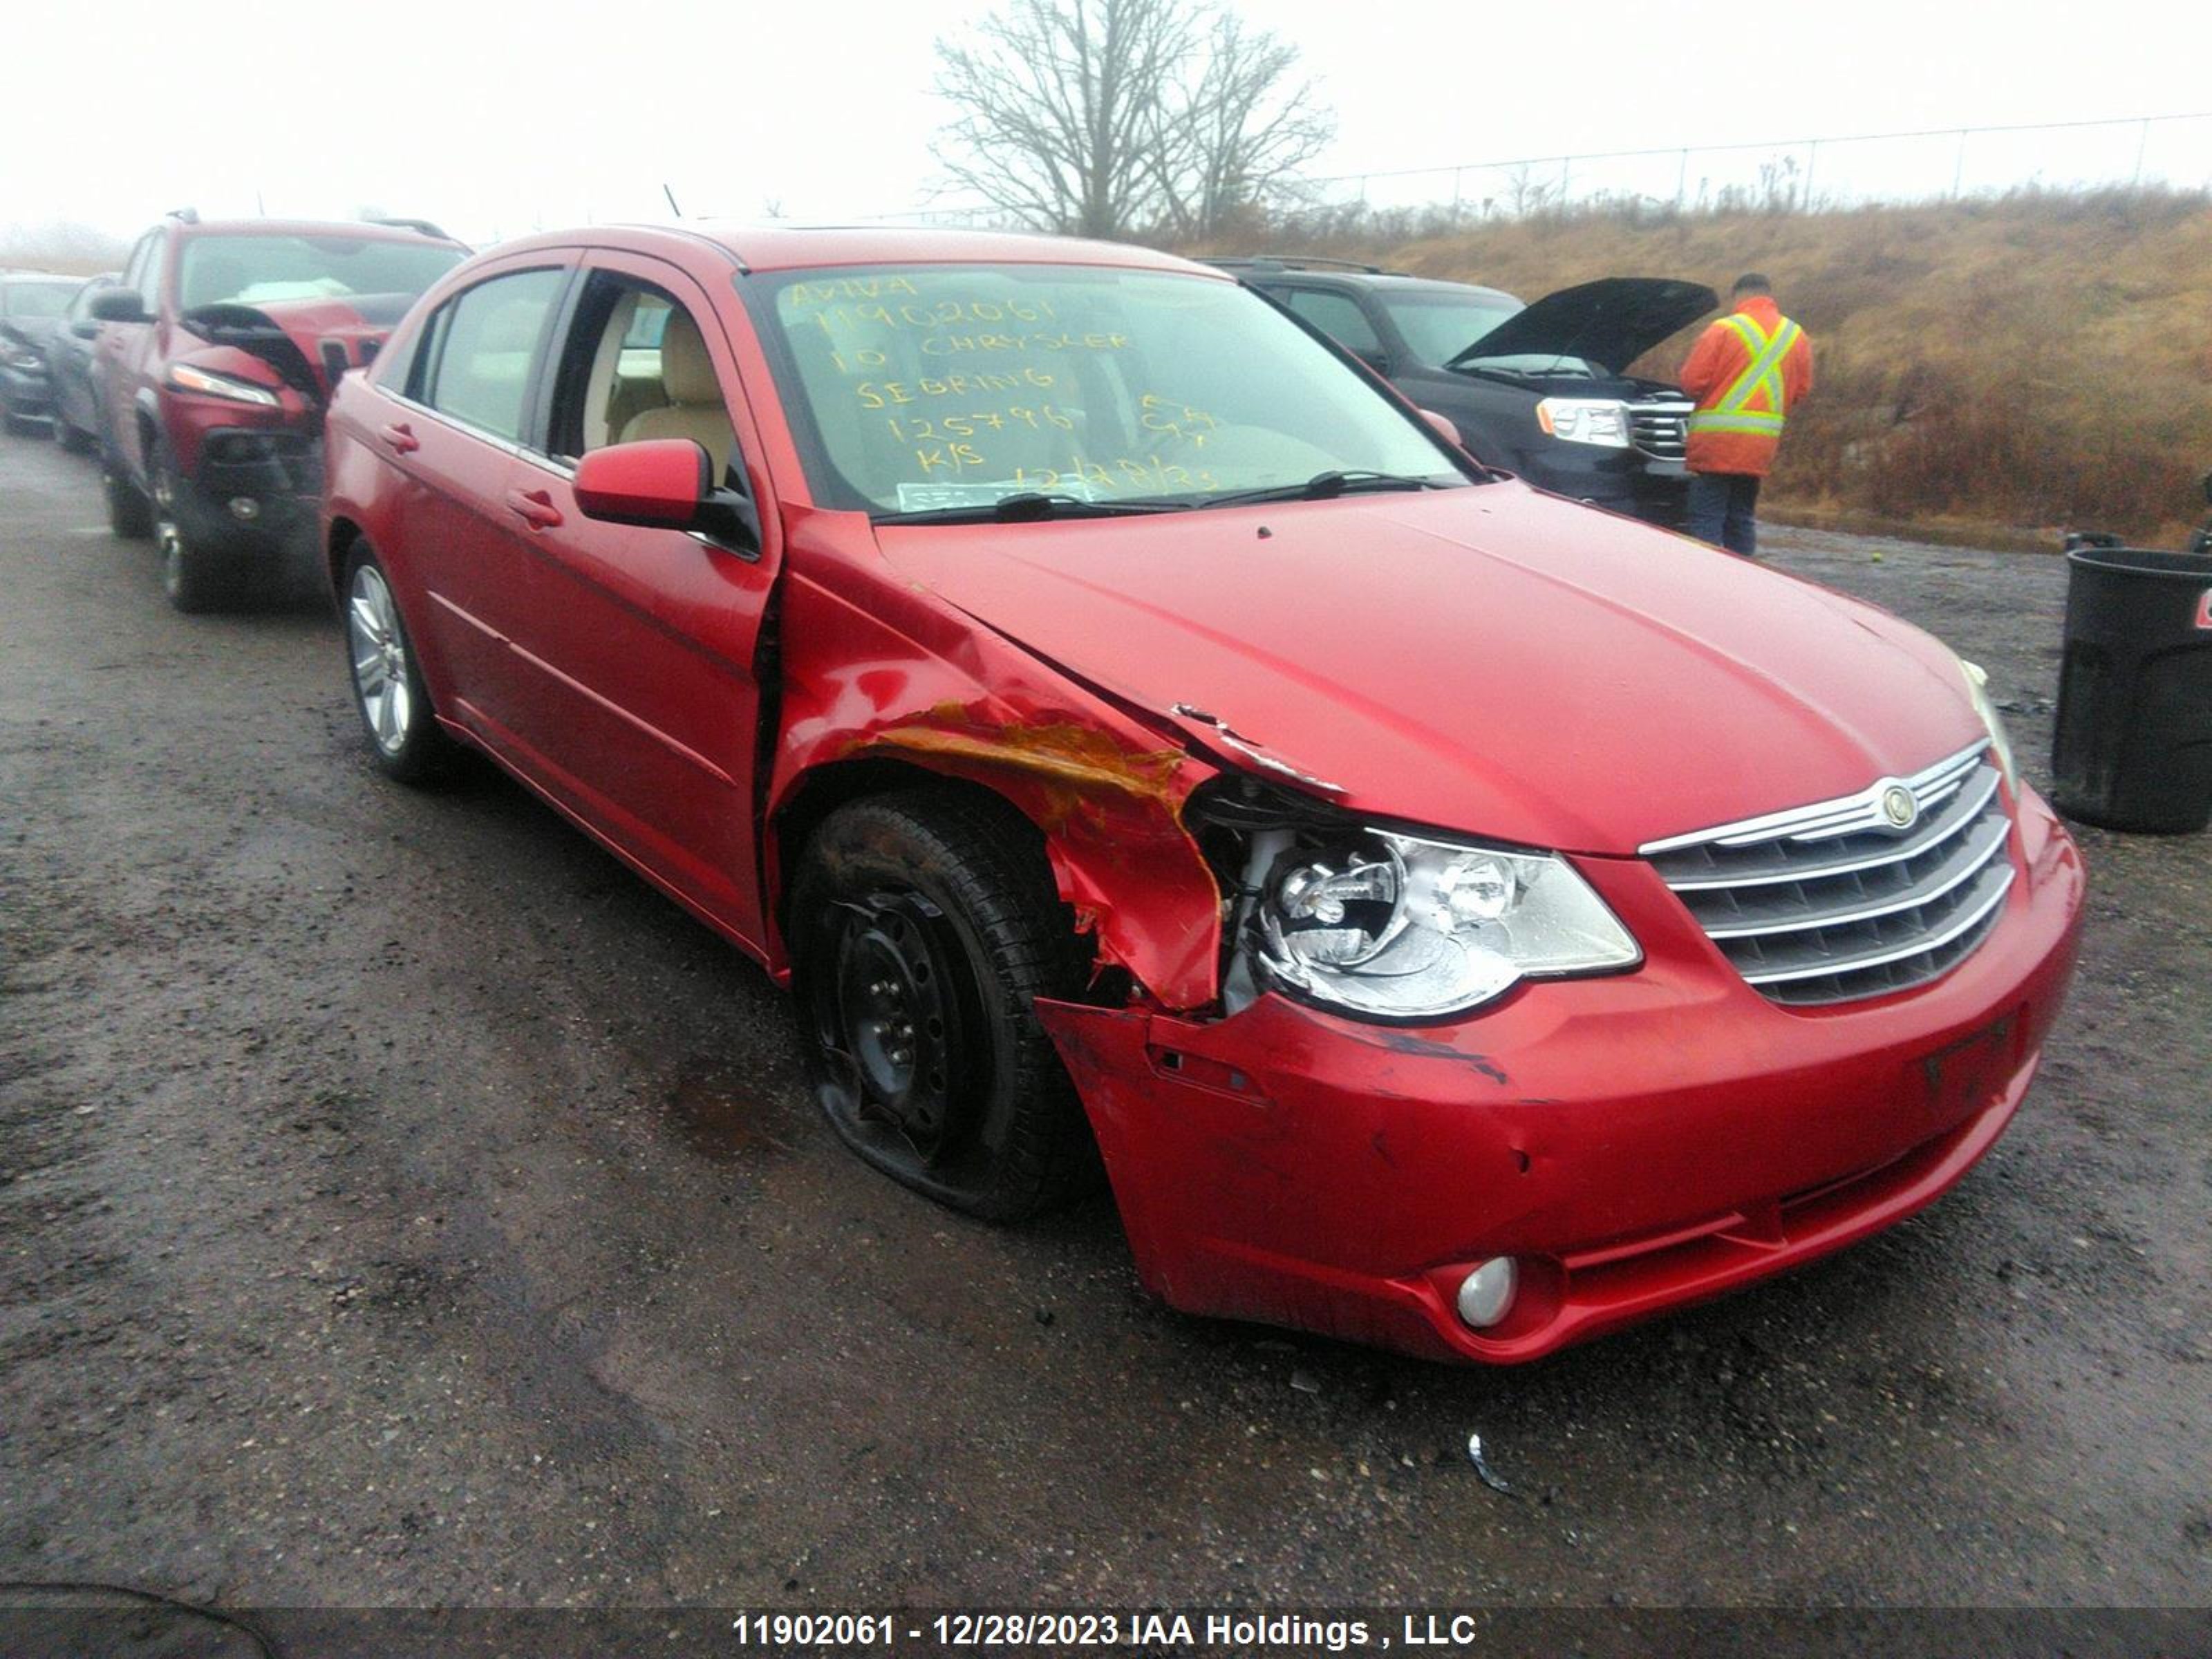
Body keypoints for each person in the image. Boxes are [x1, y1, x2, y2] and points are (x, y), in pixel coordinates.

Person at [1677, 273, 1812, 557]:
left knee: (1707, 518)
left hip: (1717, 443)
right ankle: (1744, 581)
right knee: (1741, 518)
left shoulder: (1723, 329)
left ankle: (1705, 580)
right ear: (1768, 295)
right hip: (1760, 445)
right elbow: (1801, 390)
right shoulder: (1795, 334)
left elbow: (1692, 383)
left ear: (1738, 296)